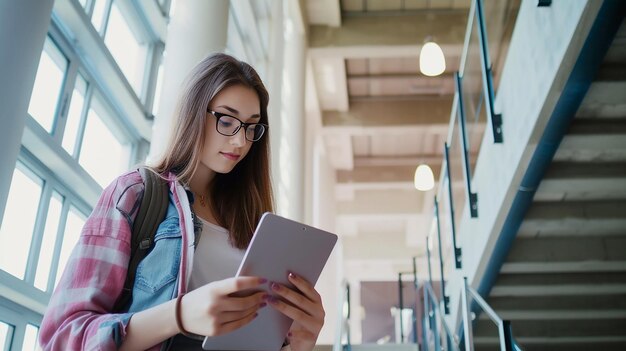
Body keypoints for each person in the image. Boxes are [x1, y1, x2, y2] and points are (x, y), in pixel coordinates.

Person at [39, 53, 325, 351]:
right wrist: (179, 314)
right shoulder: (135, 194)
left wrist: (298, 344)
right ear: (193, 113)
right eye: (227, 121)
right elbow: (63, 337)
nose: (240, 142)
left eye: (251, 127)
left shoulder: (254, 225)